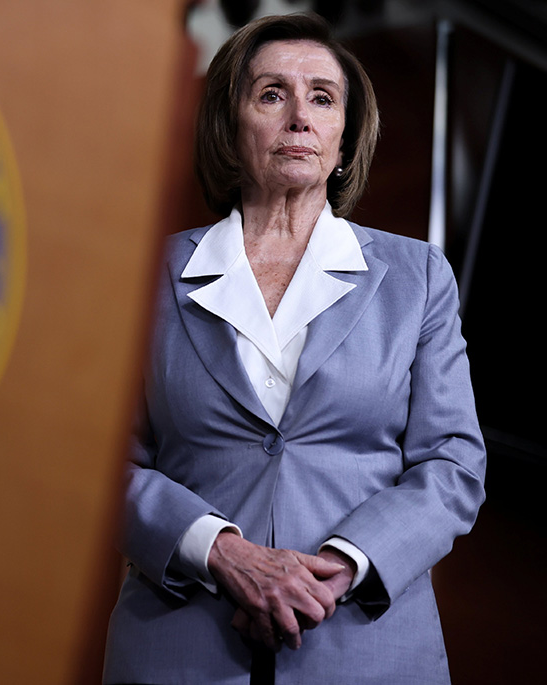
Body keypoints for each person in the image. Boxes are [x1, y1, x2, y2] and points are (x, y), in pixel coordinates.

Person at [103, 13, 486, 685]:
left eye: (322, 97)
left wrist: (333, 572)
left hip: (366, 652)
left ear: (343, 139)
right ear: (231, 127)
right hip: (182, 651)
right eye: (272, 94)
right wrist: (220, 551)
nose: (299, 117)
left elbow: (453, 463)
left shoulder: (419, 277)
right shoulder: (143, 275)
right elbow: (101, 467)